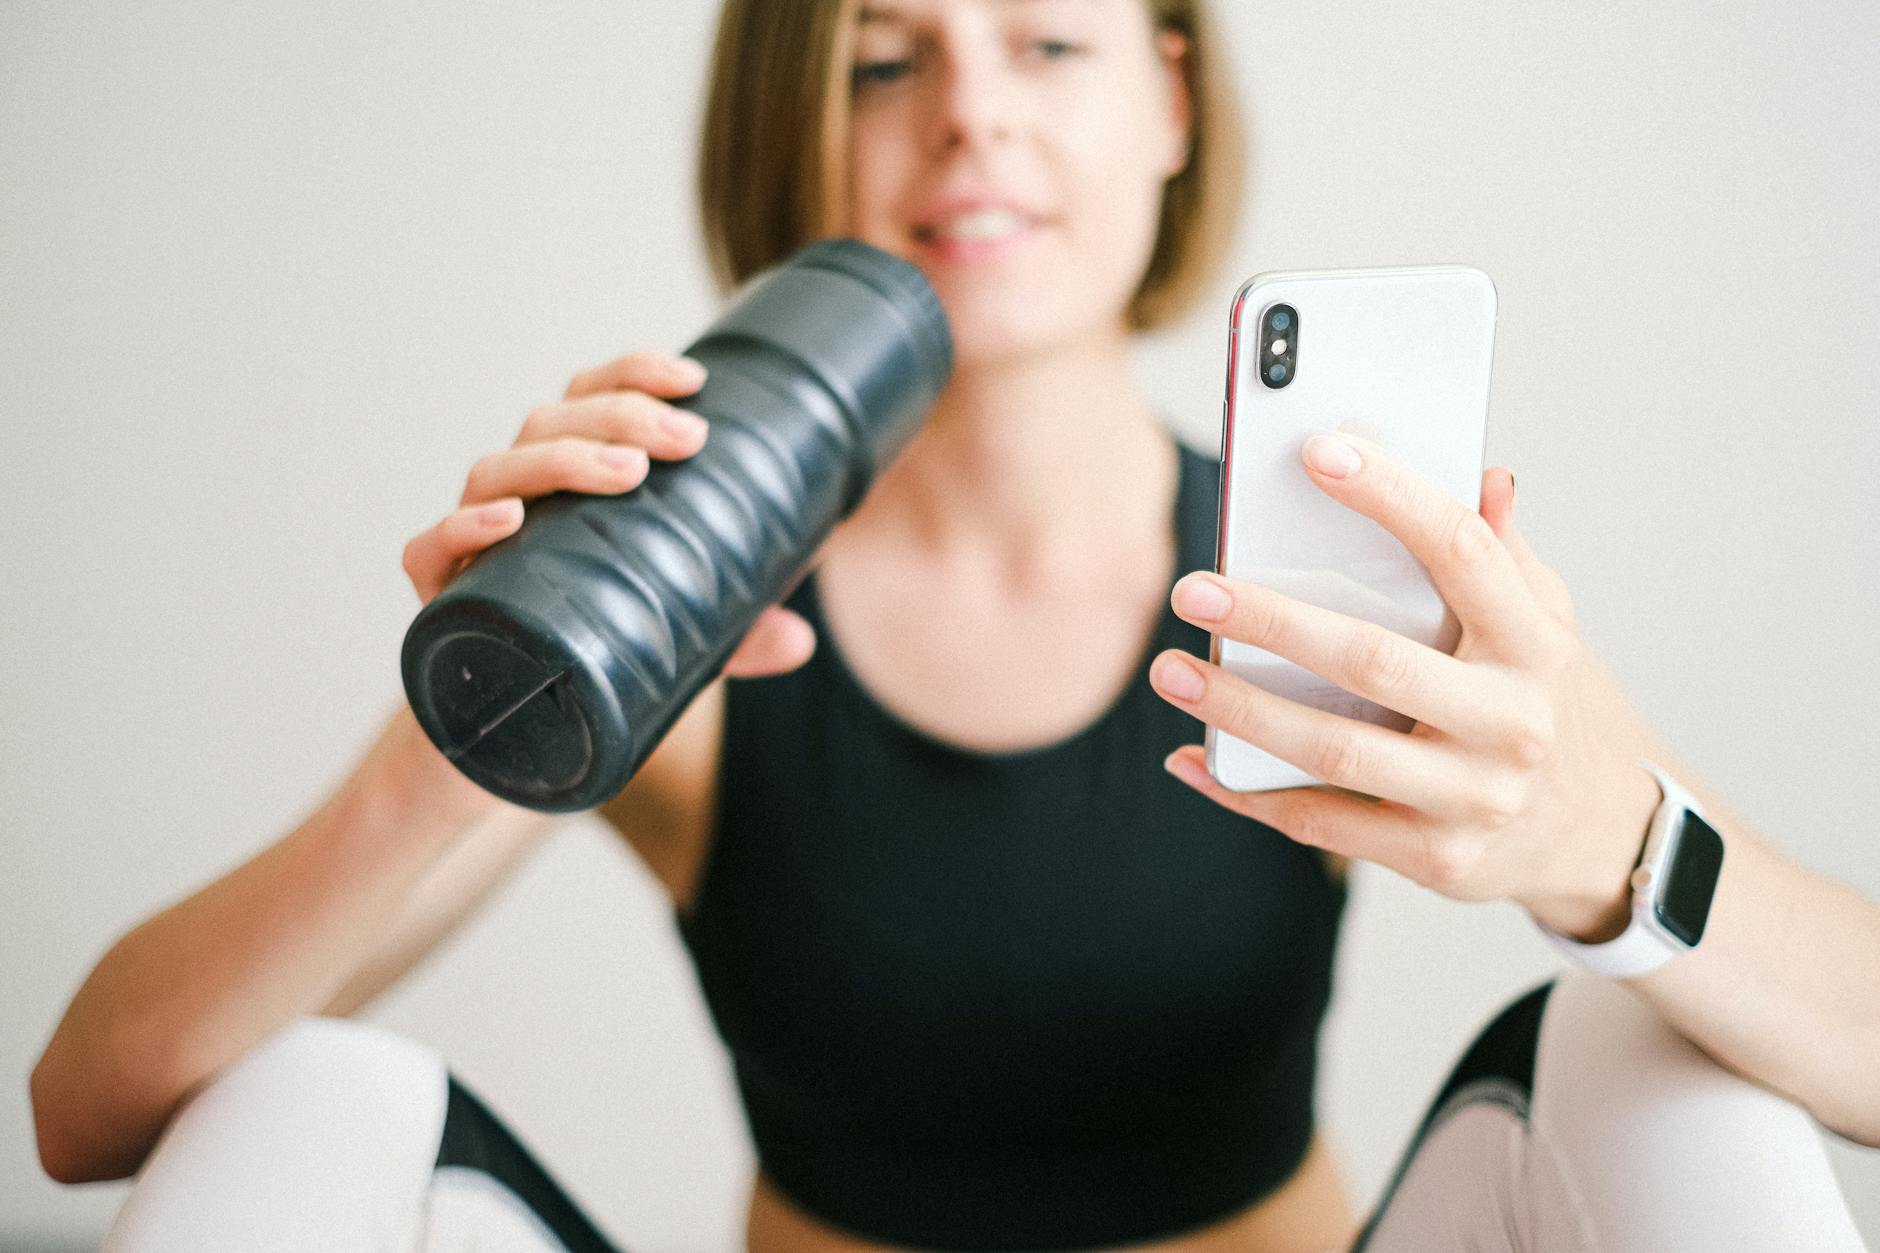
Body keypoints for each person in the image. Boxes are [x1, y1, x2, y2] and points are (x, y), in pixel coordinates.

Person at [30, 1, 1880, 1251]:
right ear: (800, 134)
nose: (973, 107)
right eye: (883, 58)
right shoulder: (688, 626)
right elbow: (86, 1106)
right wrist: (490, 704)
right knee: (320, 1096)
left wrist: (1616, 841)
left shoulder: (1341, 589)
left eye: (1051, 39)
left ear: (1167, 97)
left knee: (1651, 1039)